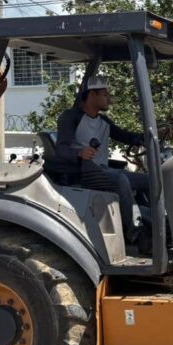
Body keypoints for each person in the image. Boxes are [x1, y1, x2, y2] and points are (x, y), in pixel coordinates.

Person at [53, 75, 149, 244]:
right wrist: (80, 153)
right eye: (105, 95)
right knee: (121, 179)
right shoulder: (71, 117)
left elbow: (127, 137)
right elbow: (61, 149)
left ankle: (158, 225)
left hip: (102, 171)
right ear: (92, 95)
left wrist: (150, 137)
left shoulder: (103, 121)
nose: (109, 99)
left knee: (149, 181)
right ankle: (137, 233)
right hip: (83, 174)